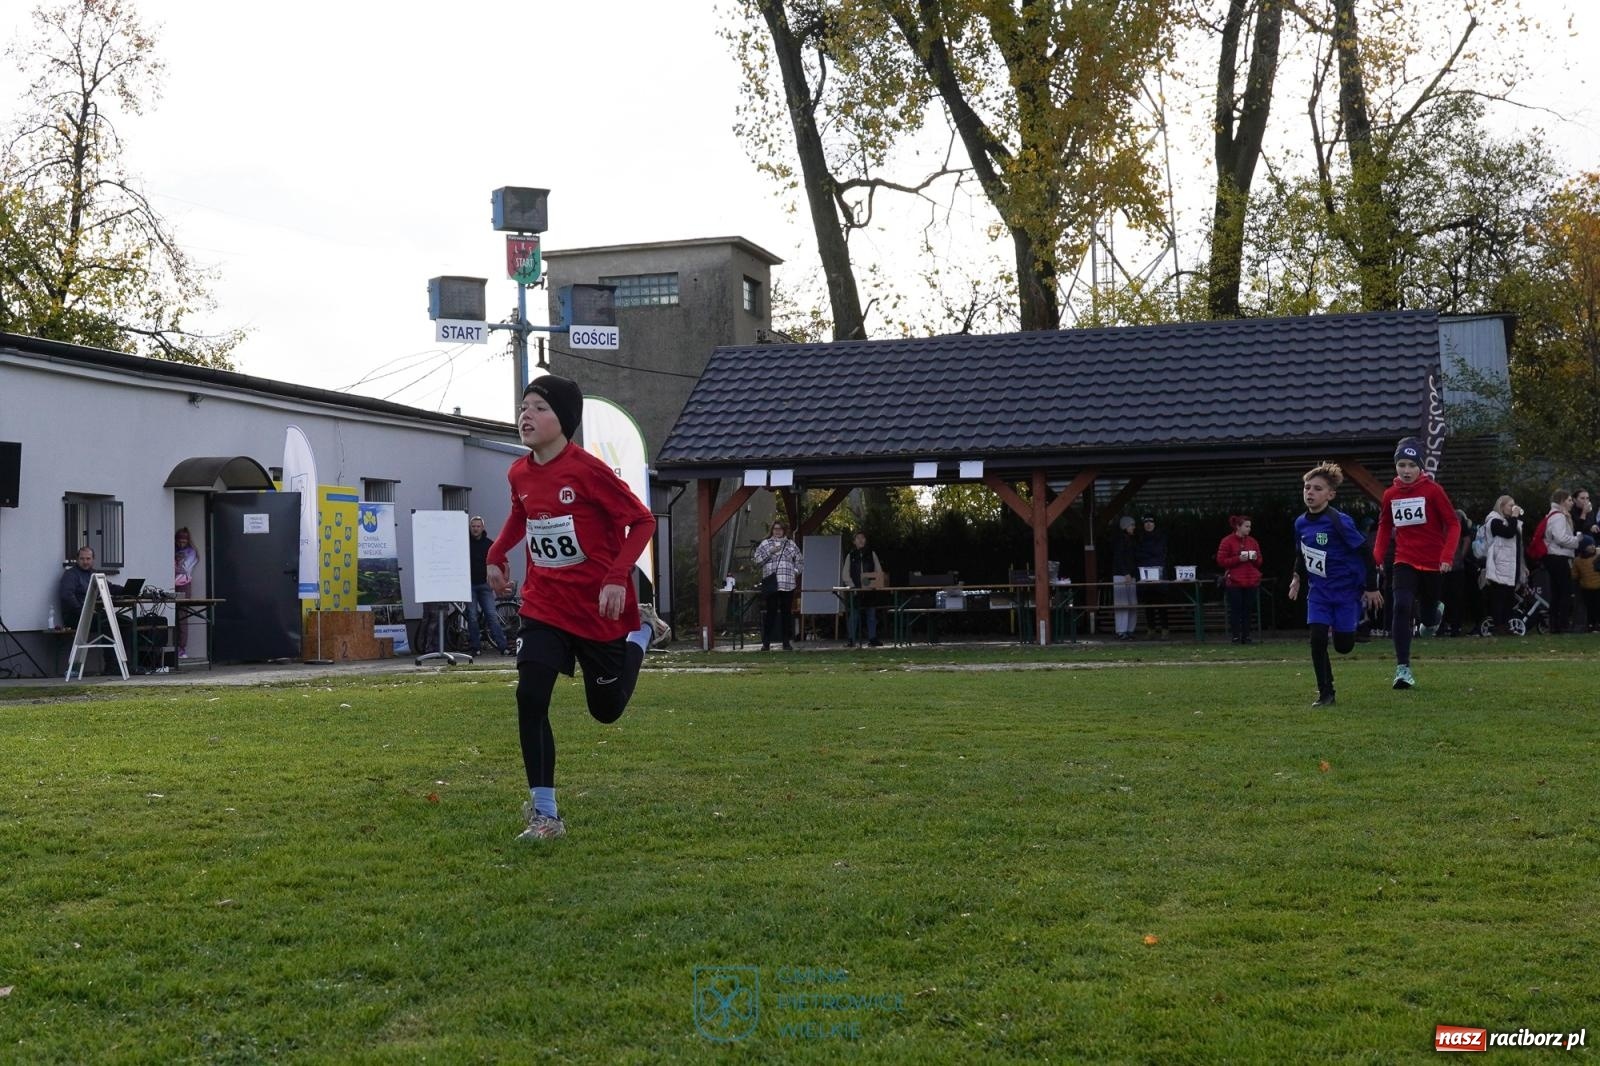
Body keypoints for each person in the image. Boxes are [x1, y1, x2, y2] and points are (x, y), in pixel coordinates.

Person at [485, 374, 657, 844]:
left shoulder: (588, 471)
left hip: (597, 609)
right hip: (544, 605)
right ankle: (545, 814)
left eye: (539, 408)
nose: (526, 415)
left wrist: (617, 576)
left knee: (606, 711)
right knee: (530, 696)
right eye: (523, 407)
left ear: (563, 419)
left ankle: (640, 635)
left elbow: (642, 522)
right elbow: (520, 516)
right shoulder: (518, 473)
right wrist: (496, 553)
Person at [1289, 462, 1384, 707]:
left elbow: (1365, 552)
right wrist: (1297, 577)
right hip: (1319, 592)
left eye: (1317, 489)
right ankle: (1326, 693)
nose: (1310, 492)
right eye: (1307, 487)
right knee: (1317, 638)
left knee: (1343, 647)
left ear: (1330, 495)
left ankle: (1348, 628)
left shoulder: (1339, 521)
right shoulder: (1300, 523)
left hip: (1345, 592)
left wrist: (1371, 587)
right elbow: (1301, 553)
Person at [1372, 437, 1460, 690]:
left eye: (1411, 465)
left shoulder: (1433, 491)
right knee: (1401, 606)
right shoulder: (1390, 495)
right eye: (1401, 465)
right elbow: (1384, 526)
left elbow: (1453, 524)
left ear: (1420, 467)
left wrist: (1446, 556)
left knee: (1428, 620)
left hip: (1433, 564)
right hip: (1405, 560)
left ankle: (1432, 616)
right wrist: (1376, 557)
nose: (1406, 470)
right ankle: (1403, 669)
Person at [753, 518, 803, 651]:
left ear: (784, 531)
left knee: (786, 613)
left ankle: (786, 642)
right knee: (771, 612)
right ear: (772, 530)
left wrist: (794, 572)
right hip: (772, 583)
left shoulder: (791, 544)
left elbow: (800, 561)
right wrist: (770, 552)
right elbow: (757, 561)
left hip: (788, 583)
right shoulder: (765, 544)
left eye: (780, 529)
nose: (777, 531)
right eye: (775, 529)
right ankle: (766, 643)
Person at [466, 515, 510, 656]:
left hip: (485, 586)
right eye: (473, 526)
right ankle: (475, 647)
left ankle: (503, 647)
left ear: (483, 528)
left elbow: (502, 561)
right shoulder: (464, 543)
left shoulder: (489, 544)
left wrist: (503, 578)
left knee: (492, 615)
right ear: (470, 528)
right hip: (469, 586)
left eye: (478, 526)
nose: (475, 529)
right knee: (472, 617)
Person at [1215, 515, 1262, 644]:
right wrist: (1238, 559)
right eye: (1246, 526)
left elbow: (1259, 561)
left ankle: (1246, 636)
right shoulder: (1227, 541)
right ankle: (1236, 636)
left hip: (1251, 579)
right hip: (1234, 580)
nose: (1249, 529)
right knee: (1235, 609)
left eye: (1250, 526)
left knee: (1248, 609)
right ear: (1238, 527)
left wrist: (1254, 558)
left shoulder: (1252, 541)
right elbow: (1221, 561)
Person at [1482, 495, 1525, 636]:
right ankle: (1498, 625)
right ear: (1501, 506)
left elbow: (1518, 544)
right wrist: (1514, 517)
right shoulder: (1494, 521)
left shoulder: (1510, 521)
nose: (1513, 508)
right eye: (1510, 505)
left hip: (1511, 564)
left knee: (1509, 597)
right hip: (1499, 564)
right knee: (1499, 596)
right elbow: (1509, 533)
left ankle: (1506, 624)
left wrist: (1522, 565)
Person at [1541, 489, 1583, 634]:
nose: (1572, 503)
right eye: (1569, 500)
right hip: (1558, 556)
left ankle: (1555, 624)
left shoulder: (1554, 515)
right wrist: (1576, 540)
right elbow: (1560, 538)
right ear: (1562, 501)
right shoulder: (1558, 516)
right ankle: (1562, 623)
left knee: (1557, 592)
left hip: (1553, 556)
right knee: (1565, 591)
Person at [840, 530, 884, 647]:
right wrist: (852, 586)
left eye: (862, 537)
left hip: (870, 590)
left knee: (871, 615)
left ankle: (873, 639)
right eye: (858, 538)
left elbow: (878, 571)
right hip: (856, 590)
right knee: (854, 616)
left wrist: (874, 584)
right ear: (854, 541)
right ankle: (851, 640)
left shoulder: (872, 554)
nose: (860, 540)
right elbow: (845, 574)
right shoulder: (851, 555)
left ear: (865, 540)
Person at [1136, 515, 1169, 635]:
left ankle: (1165, 629)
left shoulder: (1161, 536)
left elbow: (1159, 552)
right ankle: (1150, 629)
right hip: (1145, 575)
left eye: (1151, 522)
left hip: (1159, 574)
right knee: (1148, 604)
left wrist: (1147, 554)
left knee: (1161, 603)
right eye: (1146, 522)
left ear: (1155, 524)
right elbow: (1137, 554)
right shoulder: (1140, 537)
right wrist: (1151, 554)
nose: (1148, 524)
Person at [1110, 515, 1139, 640]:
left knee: (1132, 603)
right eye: (1131, 525)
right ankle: (1122, 631)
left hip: (1130, 575)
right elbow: (1119, 558)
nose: (1133, 527)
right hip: (1121, 575)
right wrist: (1125, 572)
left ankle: (1129, 630)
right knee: (1122, 603)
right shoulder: (1120, 540)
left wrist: (1132, 573)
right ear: (1125, 526)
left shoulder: (1131, 540)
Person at [174, 528, 199, 658]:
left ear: (188, 541)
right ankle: (174, 646)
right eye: (179, 541)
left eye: (184, 541)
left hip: (184, 585)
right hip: (172, 584)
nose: (181, 544)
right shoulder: (173, 550)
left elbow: (184, 569)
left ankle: (182, 648)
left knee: (182, 616)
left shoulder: (191, 552)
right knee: (173, 616)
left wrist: (177, 563)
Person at [58, 545, 98, 624]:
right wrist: (81, 611)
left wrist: (124, 590)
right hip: (75, 616)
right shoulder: (70, 574)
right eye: (82, 559)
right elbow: (67, 596)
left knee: (121, 621)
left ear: (93, 559)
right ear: (77, 559)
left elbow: (108, 587)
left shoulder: (94, 573)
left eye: (88, 559)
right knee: (110, 623)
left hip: (91, 613)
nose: (85, 562)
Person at [1572, 536, 1600, 632]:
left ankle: (1596, 624)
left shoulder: (1597, 556)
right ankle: (1591, 625)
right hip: (1586, 588)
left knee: (1596, 606)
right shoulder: (1577, 561)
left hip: (1597, 587)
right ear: (1583, 547)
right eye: (1589, 545)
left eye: (1593, 544)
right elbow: (1574, 575)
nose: (1593, 546)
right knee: (1590, 607)